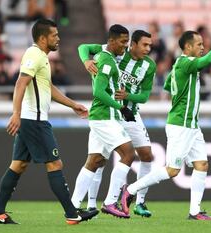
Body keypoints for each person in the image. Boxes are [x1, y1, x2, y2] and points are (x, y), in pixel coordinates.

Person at [120, 27, 211, 220]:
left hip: (191, 125)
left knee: (201, 164)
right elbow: (208, 60)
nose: (203, 47)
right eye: (199, 44)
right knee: (172, 170)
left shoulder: (179, 64)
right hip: (181, 125)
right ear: (187, 47)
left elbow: (168, 84)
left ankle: (195, 211)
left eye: (203, 44)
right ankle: (131, 190)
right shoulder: (187, 63)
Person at [0, 19, 99, 225]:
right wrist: (15, 113)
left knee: (18, 165)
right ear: (42, 38)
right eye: (54, 35)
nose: (58, 38)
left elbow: (48, 87)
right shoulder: (33, 54)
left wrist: (73, 105)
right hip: (35, 122)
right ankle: (71, 214)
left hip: (31, 121)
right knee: (55, 164)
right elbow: (21, 83)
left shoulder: (42, 58)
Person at [74, 29, 156, 217]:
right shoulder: (116, 51)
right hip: (111, 112)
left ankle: (139, 202)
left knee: (146, 154)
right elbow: (83, 47)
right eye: (144, 44)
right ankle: (95, 203)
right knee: (101, 160)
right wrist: (86, 60)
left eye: (150, 45)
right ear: (133, 44)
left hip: (130, 114)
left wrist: (129, 96)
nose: (148, 49)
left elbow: (144, 96)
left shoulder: (149, 66)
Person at [70, 24, 136, 219]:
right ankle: (110, 202)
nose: (125, 46)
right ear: (112, 41)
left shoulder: (102, 54)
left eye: (127, 41)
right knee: (128, 154)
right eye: (123, 42)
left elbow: (83, 47)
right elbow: (98, 92)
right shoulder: (106, 60)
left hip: (102, 117)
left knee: (95, 161)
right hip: (104, 117)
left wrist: (85, 60)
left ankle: (72, 206)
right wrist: (121, 107)